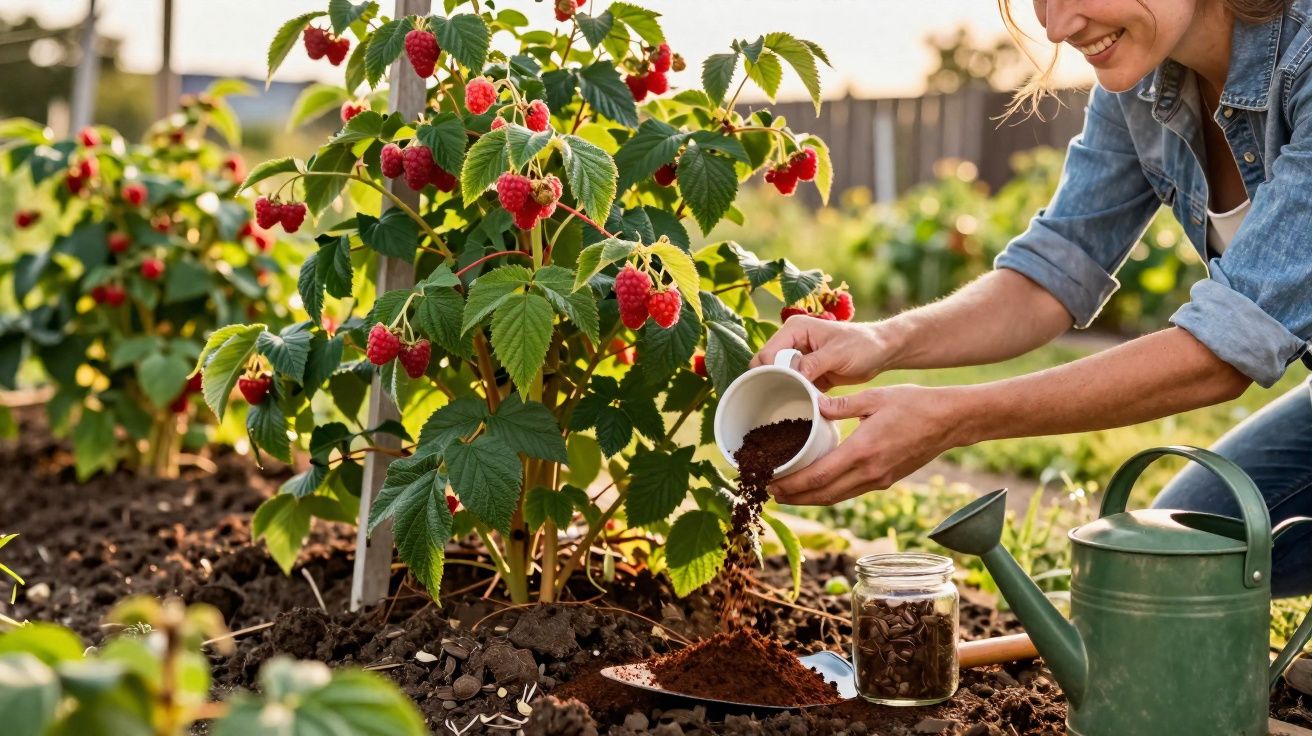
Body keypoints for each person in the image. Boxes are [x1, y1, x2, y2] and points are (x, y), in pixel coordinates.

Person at [753, 0, 1312, 597]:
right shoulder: (1148, 75)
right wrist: (883, 340)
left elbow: (1222, 352)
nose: (1056, 26)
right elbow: (1056, 265)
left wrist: (952, 419)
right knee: (1167, 562)